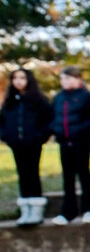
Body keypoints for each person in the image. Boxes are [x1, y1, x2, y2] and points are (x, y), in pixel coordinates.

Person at [2, 68, 52, 226]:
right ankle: (25, 210)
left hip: (33, 144)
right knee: (22, 174)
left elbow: (48, 121)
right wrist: (7, 138)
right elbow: (2, 122)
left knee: (33, 173)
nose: (18, 81)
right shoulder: (10, 102)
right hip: (17, 144)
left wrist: (39, 138)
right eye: (15, 78)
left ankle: (36, 210)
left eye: (22, 78)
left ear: (29, 80)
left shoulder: (39, 100)